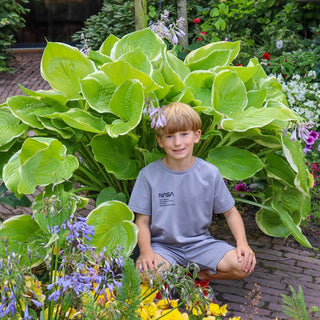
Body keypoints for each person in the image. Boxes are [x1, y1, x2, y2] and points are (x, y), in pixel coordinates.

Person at [128, 101, 256, 285]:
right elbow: (142, 221)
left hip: (201, 245)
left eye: (184, 134)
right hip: (163, 248)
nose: (178, 142)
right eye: (170, 136)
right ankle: (177, 278)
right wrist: (146, 251)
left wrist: (243, 244)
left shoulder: (209, 173)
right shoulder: (148, 175)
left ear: (196, 136)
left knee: (242, 265)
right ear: (160, 141)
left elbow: (230, 212)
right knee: (147, 274)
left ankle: (200, 276)